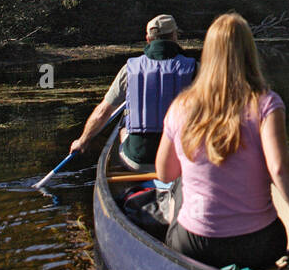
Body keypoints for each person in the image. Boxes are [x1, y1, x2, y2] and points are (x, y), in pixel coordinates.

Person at [155, 11, 289, 270]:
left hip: (196, 244)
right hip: (258, 245)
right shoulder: (266, 103)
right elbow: (280, 169)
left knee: (177, 199)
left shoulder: (180, 107)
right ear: (249, 53)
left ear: (208, 55)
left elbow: (165, 173)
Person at [70, 14, 197, 169]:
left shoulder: (129, 69)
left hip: (138, 160)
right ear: (174, 36)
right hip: (179, 160)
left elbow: (102, 112)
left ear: (148, 39)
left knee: (123, 129)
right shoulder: (195, 68)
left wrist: (82, 140)